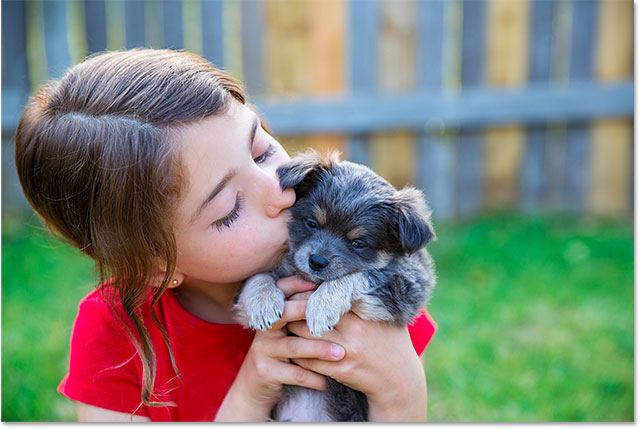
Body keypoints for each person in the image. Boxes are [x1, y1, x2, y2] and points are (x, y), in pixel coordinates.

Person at [14, 49, 437, 422]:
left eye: (261, 151)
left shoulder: (362, 304)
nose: (277, 189)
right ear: (156, 262)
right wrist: (253, 391)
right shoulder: (113, 334)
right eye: (230, 209)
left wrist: (402, 390)